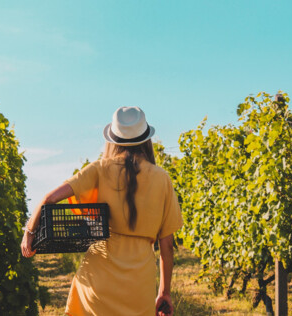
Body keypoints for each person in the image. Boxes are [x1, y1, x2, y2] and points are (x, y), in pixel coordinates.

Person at [21, 106, 183, 316]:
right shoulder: (162, 179)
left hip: (97, 279)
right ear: (146, 140)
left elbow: (48, 199)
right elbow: (167, 246)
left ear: (113, 139)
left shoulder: (99, 168)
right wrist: (164, 292)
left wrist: (29, 232)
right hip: (138, 285)